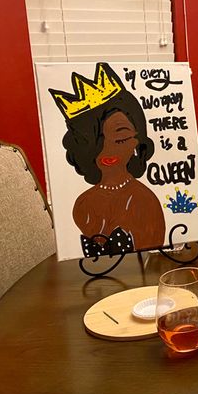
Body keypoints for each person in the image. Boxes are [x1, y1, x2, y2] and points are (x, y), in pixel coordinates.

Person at [50, 63, 165, 257]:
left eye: (120, 139)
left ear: (137, 141)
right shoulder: (83, 203)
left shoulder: (143, 202)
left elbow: (152, 260)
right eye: (95, 142)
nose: (107, 150)